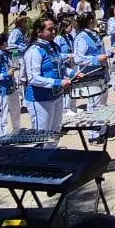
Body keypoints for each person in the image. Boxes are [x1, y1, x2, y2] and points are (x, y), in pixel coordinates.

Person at [23, 19, 78, 147]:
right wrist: (59, 82)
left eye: (54, 28)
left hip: (56, 96)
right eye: (50, 29)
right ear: (39, 32)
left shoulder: (53, 47)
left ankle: (50, 158)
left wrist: (72, 73)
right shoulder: (34, 51)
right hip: (39, 99)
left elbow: (59, 66)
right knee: (41, 135)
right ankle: (38, 163)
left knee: (55, 131)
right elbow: (33, 78)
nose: (54, 31)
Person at [73, 13, 110, 144]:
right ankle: (94, 135)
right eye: (94, 18)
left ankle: (102, 130)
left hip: (101, 73)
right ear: (90, 21)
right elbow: (78, 58)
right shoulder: (81, 37)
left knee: (101, 105)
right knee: (93, 105)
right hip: (91, 76)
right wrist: (96, 59)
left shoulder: (94, 35)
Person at [0, 33, 21, 137]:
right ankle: (3, 134)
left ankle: (16, 130)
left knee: (16, 109)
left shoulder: (6, 53)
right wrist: (6, 74)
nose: (8, 43)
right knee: (3, 112)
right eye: (6, 42)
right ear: (3, 43)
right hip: (2, 89)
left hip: (11, 86)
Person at [54, 18, 78, 117]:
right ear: (64, 27)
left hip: (72, 64)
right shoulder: (58, 38)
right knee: (66, 87)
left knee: (73, 85)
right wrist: (67, 56)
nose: (71, 28)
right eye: (69, 26)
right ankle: (66, 108)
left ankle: (73, 106)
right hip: (64, 65)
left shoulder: (70, 37)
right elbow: (57, 54)